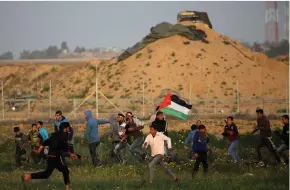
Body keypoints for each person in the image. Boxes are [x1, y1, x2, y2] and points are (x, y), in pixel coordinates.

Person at [22, 122, 77, 190]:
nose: (69, 129)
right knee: (65, 171)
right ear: (65, 128)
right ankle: (67, 188)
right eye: (68, 128)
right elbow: (64, 150)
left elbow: (45, 142)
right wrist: (70, 154)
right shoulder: (63, 137)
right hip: (56, 157)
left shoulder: (55, 135)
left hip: (51, 157)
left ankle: (28, 176)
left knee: (46, 174)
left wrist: (39, 150)